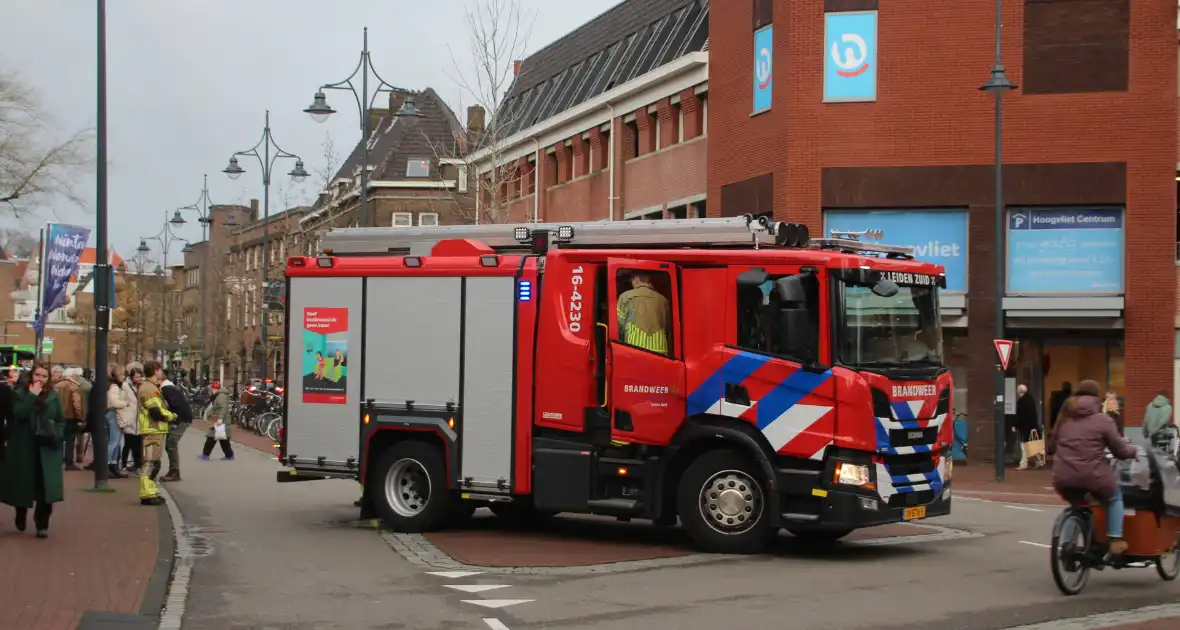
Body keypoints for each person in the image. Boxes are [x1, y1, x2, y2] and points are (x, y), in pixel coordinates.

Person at [1047, 379, 1138, 555]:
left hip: (1063, 477)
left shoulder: (1064, 418)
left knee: (1077, 504)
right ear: (1097, 398)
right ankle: (1115, 539)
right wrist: (1133, 451)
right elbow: (1120, 450)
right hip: (1092, 475)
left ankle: (1068, 546)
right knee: (1114, 497)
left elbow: (1050, 447)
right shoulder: (1102, 420)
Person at [0, 364, 65, 537]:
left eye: (44, 376)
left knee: (46, 488)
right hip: (24, 446)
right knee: (23, 483)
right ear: (31, 376)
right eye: (37, 375)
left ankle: (42, 524)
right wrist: (31, 396)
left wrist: (58, 434)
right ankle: (20, 513)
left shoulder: (53, 396)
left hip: (46, 446)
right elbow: (18, 414)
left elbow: (60, 418)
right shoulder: (19, 394)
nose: (40, 379)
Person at [137, 361, 175, 506]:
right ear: (155, 371)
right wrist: (171, 416)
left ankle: (151, 491)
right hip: (152, 429)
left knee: (155, 463)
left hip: (156, 430)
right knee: (150, 462)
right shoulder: (148, 389)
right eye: (159, 370)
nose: (161, 372)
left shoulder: (152, 387)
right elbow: (155, 411)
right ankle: (146, 493)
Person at [616, 271, 670, 355]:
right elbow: (668, 328)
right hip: (660, 353)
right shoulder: (663, 300)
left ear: (636, 279)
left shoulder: (625, 297)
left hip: (635, 350)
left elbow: (617, 326)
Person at [159, 372, 193, 482]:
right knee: (169, 445)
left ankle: (175, 471)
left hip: (181, 419)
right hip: (179, 418)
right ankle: (173, 470)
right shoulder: (168, 388)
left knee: (171, 443)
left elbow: (176, 405)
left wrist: (175, 421)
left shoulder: (167, 389)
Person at [54, 367, 84, 471]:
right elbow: (77, 404)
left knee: (59, 439)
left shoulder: (56, 386)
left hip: (58, 417)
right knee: (70, 441)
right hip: (70, 416)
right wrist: (80, 417)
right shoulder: (73, 386)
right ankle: (69, 463)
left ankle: (57, 461)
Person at [105, 364, 130, 479]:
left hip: (115, 413)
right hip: (114, 413)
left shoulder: (117, 386)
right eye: (121, 374)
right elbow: (115, 403)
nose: (123, 377)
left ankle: (113, 465)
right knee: (114, 442)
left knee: (117, 442)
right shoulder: (114, 387)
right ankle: (107, 465)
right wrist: (126, 403)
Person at [200, 381, 235, 461]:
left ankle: (205, 455)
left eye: (212, 388)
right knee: (223, 440)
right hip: (220, 420)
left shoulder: (220, 396)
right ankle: (229, 455)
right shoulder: (219, 395)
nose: (211, 390)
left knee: (211, 438)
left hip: (219, 420)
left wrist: (220, 419)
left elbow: (223, 408)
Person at [120, 365, 143, 473]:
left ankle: (137, 465)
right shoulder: (125, 386)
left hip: (140, 419)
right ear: (131, 377)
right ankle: (124, 464)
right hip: (130, 418)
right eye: (136, 377)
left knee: (138, 445)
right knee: (128, 443)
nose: (138, 379)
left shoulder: (143, 386)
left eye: (140, 377)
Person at [1015, 384, 1043, 470]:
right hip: (1031, 426)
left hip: (1025, 427)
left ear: (1019, 391)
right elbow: (1033, 414)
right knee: (1032, 444)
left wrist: (1015, 425)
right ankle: (1039, 461)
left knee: (1024, 445)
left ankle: (1023, 464)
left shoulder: (1022, 401)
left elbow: (1020, 415)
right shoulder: (1030, 399)